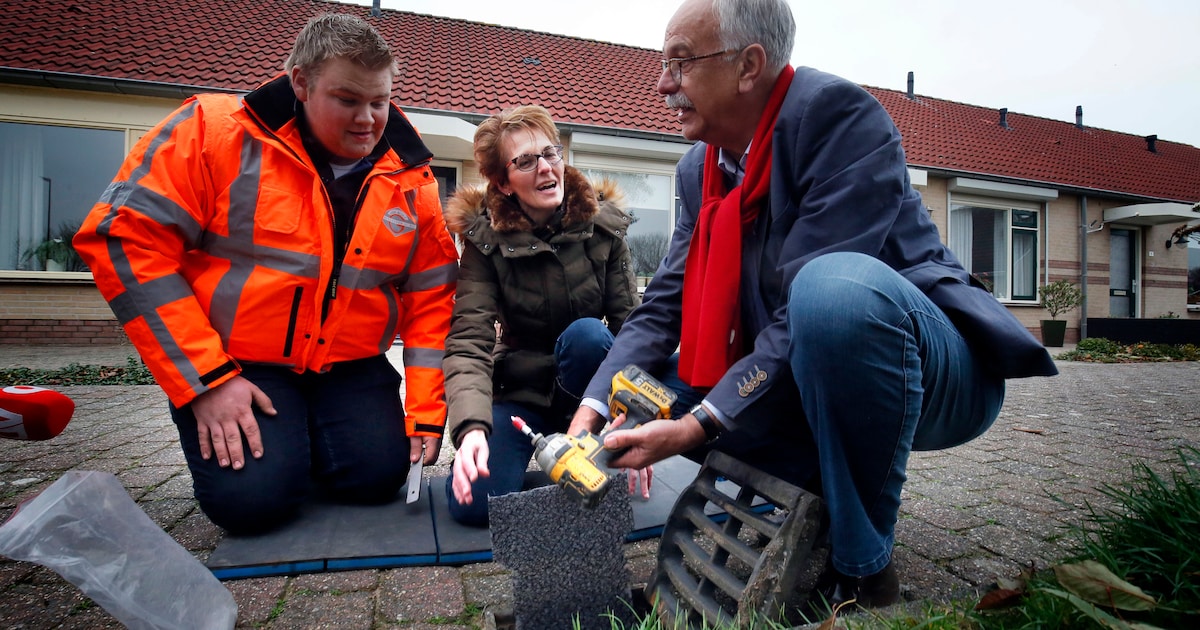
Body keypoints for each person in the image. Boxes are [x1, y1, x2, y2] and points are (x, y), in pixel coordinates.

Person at [569, 0, 1059, 610]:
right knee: (609, 367)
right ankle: (814, 487)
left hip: (927, 371)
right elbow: (665, 298)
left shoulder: (838, 119)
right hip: (798, 371)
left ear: (749, 65)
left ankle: (864, 571)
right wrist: (593, 407)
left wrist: (699, 423)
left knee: (831, 291)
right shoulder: (700, 168)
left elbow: (805, 313)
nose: (664, 84)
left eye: (681, 63)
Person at [73, 13, 459, 535]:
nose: (368, 119)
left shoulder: (414, 177)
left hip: (349, 365)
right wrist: (204, 381)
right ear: (300, 83)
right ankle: (278, 455)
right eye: (347, 100)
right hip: (237, 363)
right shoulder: (211, 131)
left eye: (380, 101)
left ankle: (303, 446)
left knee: (378, 478)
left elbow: (431, 300)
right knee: (252, 506)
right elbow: (122, 238)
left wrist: (425, 410)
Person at [443, 105, 641, 526]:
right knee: (474, 506)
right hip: (521, 393)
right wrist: (472, 429)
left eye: (551, 153)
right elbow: (469, 339)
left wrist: (638, 421)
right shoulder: (485, 242)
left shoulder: (604, 228)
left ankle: (581, 440)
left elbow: (632, 329)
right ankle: (547, 454)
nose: (546, 168)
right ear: (503, 181)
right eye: (526, 161)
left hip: (586, 390)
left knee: (589, 336)